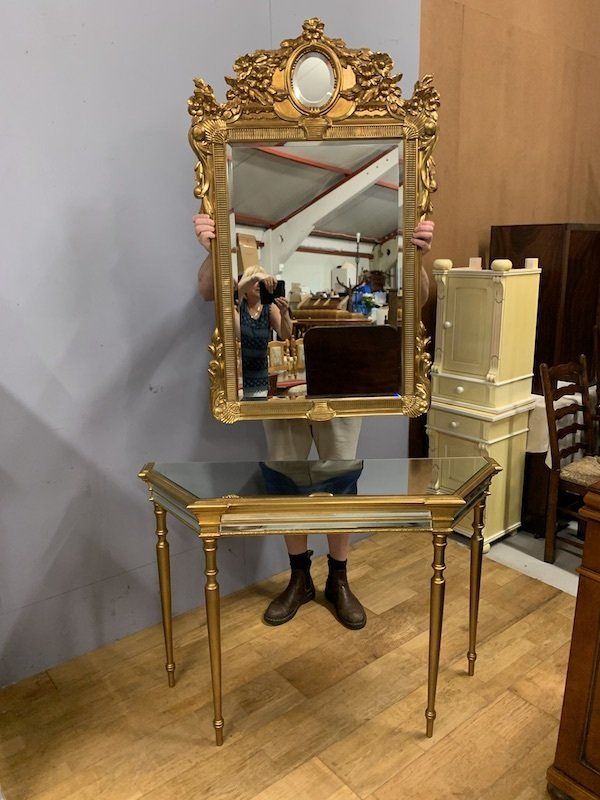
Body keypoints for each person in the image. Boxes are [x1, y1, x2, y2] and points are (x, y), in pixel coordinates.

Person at [194, 212, 434, 629]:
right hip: (280, 388)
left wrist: (418, 256)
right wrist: (212, 250)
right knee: (287, 481)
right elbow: (206, 291)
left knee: (340, 482)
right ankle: (300, 577)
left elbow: (419, 296)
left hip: (342, 382)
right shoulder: (253, 254)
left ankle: (338, 578)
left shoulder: (380, 206)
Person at [235, 265, 293, 399]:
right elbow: (233, 294)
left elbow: (285, 334)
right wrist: (256, 276)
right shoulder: (238, 306)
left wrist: (284, 313)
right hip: (239, 375)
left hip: (260, 375)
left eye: (262, 282)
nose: (258, 285)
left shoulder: (269, 308)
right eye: (254, 282)